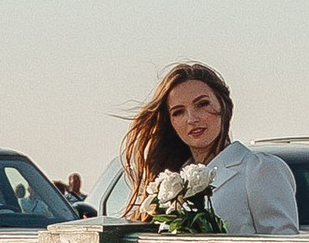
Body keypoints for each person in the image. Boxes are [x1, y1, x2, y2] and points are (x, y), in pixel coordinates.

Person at [117, 63, 297, 232]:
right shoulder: (170, 181)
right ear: (170, 122)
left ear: (224, 105)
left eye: (202, 104)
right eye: (178, 112)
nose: (192, 119)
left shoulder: (259, 169)